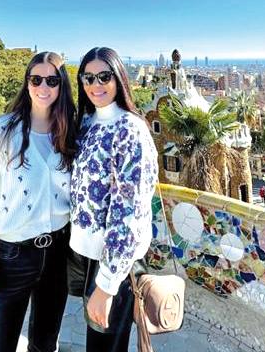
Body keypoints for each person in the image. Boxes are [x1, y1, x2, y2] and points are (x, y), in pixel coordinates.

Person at [0, 51, 77, 352]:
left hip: (58, 254)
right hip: (10, 258)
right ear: (27, 83)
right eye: (36, 79)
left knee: (45, 345)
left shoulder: (69, 134)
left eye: (52, 80)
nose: (44, 87)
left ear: (61, 86)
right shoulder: (2, 131)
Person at [68, 47, 158, 352]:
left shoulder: (130, 129)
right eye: (88, 77)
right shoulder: (88, 124)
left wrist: (106, 285)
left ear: (118, 77)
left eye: (104, 76)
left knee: (104, 347)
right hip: (86, 256)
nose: (96, 84)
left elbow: (129, 211)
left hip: (114, 262)